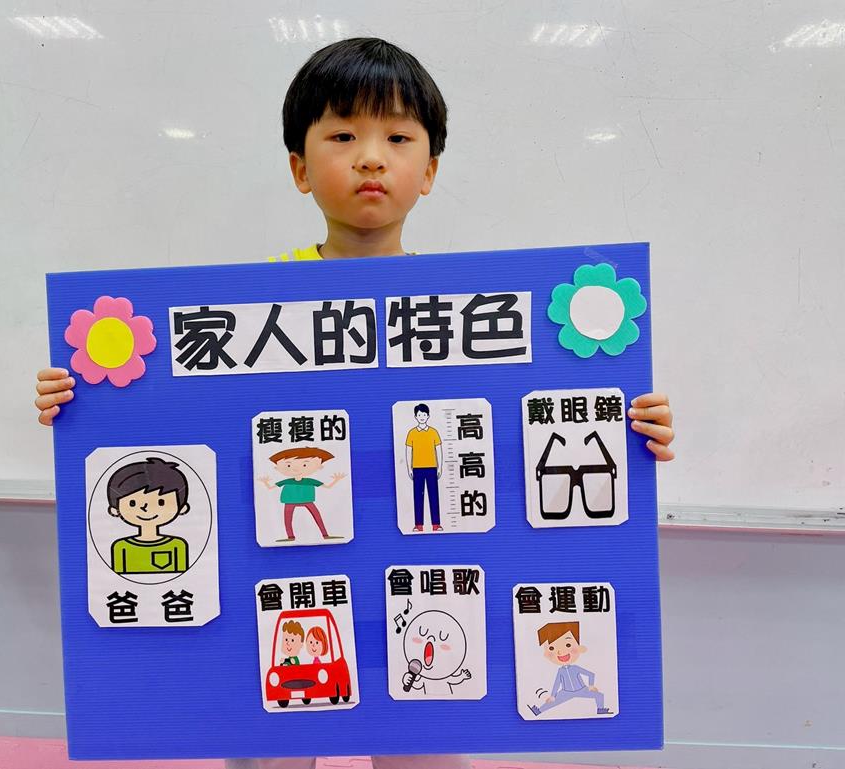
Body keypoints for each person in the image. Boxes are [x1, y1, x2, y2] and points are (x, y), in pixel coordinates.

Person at [34, 36, 675, 769]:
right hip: (278, 571)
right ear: (300, 169)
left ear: (428, 170)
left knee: (426, 740)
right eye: (343, 136)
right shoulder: (245, 303)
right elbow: (178, 423)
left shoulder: (469, 309)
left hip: (428, 568)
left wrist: (636, 426)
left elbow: (530, 423)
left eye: (397, 138)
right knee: (269, 742)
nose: (371, 157)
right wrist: (80, 404)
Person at [258, 447, 346, 541]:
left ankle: (325, 535)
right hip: (290, 501)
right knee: (287, 519)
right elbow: (270, 488)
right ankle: (290, 536)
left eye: (304, 464)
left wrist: (336, 480)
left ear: (319, 466)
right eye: (288, 465)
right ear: (277, 468)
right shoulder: (287, 481)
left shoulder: (310, 481)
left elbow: (328, 487)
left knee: (317, 516)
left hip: (307, 500)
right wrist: (265, 482)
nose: (296, 469)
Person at [528, 622, 610, 716]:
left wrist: (591, 685)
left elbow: (591, 674)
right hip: (566, 692)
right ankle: (538, 711)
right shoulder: (560, 671)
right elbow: (557, 683)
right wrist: (553, 696)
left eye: (568, 645)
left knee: (599, 695)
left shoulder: (575, 668)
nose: (560, 652)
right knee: (553, 701)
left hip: (581, 690)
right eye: (552, 648)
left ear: (580, 648)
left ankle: (600, 709)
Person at [405, 403, 442, 532]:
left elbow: (439, 450)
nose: (422, 417)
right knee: (418, 496)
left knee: (434, 496)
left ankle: (436, 524)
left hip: (432, 467)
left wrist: (440, 467)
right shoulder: (412, 433)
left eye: (424, 414)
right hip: (417, 468)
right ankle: (418, 525)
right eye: (419, 415)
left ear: (428, 416)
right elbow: (408, 451)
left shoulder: (433, 432)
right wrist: (409, 468)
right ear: (415, 416)